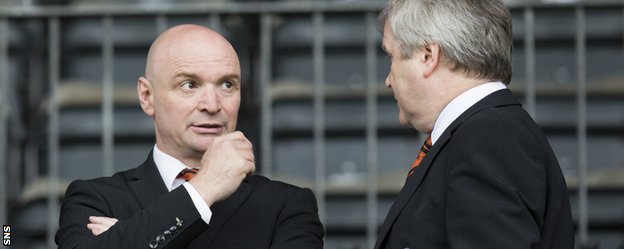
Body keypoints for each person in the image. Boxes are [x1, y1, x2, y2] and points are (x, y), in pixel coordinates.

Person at [55, 24, 324, 249]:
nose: (212, 104)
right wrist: (203, 188)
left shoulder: (286, 206)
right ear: (147, 97)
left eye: (227, 84)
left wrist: (129, 237)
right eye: (189, 85)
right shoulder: (95, 199)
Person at [374, 0, 574, 248]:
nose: (388, 80)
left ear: (428, 55)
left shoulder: (487, 137)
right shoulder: (484, 131)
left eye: (392, 57)